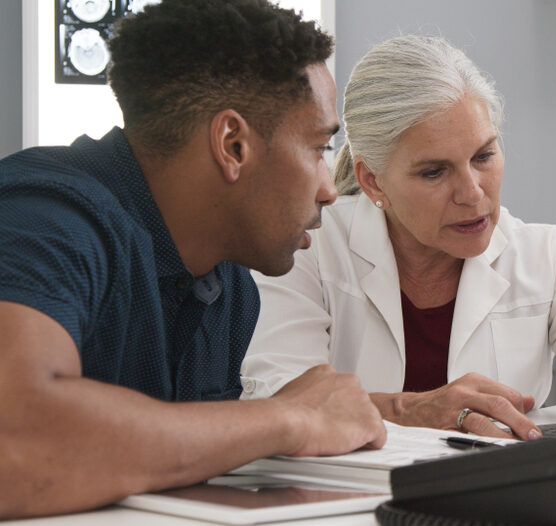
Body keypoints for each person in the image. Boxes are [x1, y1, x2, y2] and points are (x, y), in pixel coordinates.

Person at [0, 0, 386, 519]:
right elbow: (17, 442)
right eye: (318, 148)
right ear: (233, 145)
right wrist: (289, 418)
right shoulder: (45, 220)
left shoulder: (229, 286)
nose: (328, 190)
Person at [241, 35, 556, 440]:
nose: (472, 193)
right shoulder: (307, 248)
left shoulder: (552, 258)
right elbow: (278, 405)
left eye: (483, 156)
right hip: (341, 499)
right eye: (434, 172)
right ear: (372, 181)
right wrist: (408, 410)